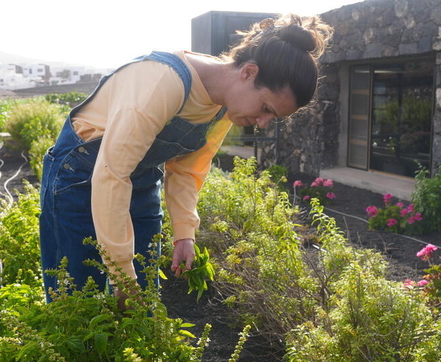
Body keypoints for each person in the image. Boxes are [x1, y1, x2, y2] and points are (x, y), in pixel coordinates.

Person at [39, 13, 332, 304]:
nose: (264, 122)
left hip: (137, 179)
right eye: (266, 107)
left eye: (273, 117)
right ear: (248, 73)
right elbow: (112, 174)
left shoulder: (224, 107)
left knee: (140, 305)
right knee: (75, 301)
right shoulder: (162, 82)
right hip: (78, 177)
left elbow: (188, 170)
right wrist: (120, 271)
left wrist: (184, 234)